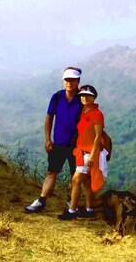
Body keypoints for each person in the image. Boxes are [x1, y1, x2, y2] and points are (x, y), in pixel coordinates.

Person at [25, 67, 83, 212]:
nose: (69, 83)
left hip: (76, 145)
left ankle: (71, 202)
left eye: (73, 80)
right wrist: (47, 139)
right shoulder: (57, 97)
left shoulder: (82, 99)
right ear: (64, 81)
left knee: (74, 176)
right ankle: (41, 200)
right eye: (67, 80)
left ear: (78, 81)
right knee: (52, 172)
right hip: (58, 142)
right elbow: (49, 117)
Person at [58, 85, 106, 220]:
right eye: (82, 95)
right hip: (82, 151)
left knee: (75, 181)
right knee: (86, 182)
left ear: (94, 97)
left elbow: (98, 136)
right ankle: (89, 209)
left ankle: (72, 211)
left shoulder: (97, 114)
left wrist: (92, 155)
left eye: (88, 96)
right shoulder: (84, 111)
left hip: (89, 153)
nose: (84, 98)